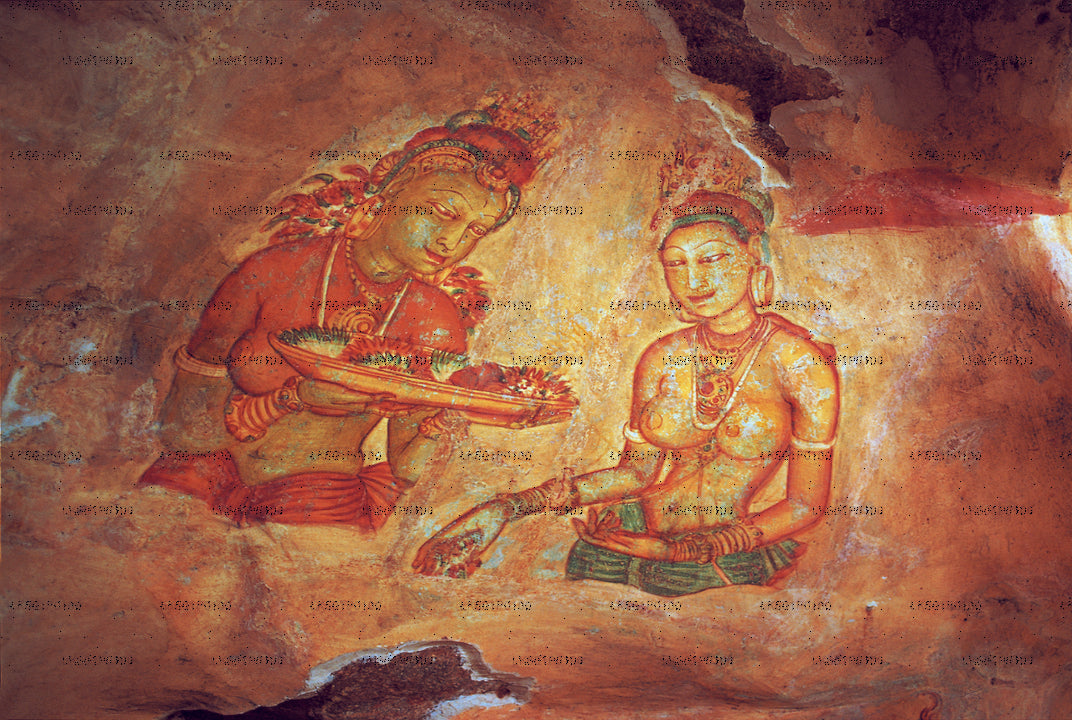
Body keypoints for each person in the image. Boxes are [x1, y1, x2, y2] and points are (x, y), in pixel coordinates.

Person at [141, 109, 557, 531]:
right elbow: (181, 432)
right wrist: (292, 399)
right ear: (382, 203)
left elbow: (406, 470)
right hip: (201, 481)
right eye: (442, 212)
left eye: (475, 231)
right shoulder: (271, 272)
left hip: (320, 501)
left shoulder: (436, 317)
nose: (452, 242)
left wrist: (445, 420)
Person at [414, 188, 840, 596]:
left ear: (751, 260)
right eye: (676, 264)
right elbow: (637, 473)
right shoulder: (662, 355)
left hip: (720, 561)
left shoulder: (800, 362)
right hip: (620, 542)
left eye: (713, 258)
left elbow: (805, 505)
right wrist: (509, 507)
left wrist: (685, 550)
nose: (694, 279)